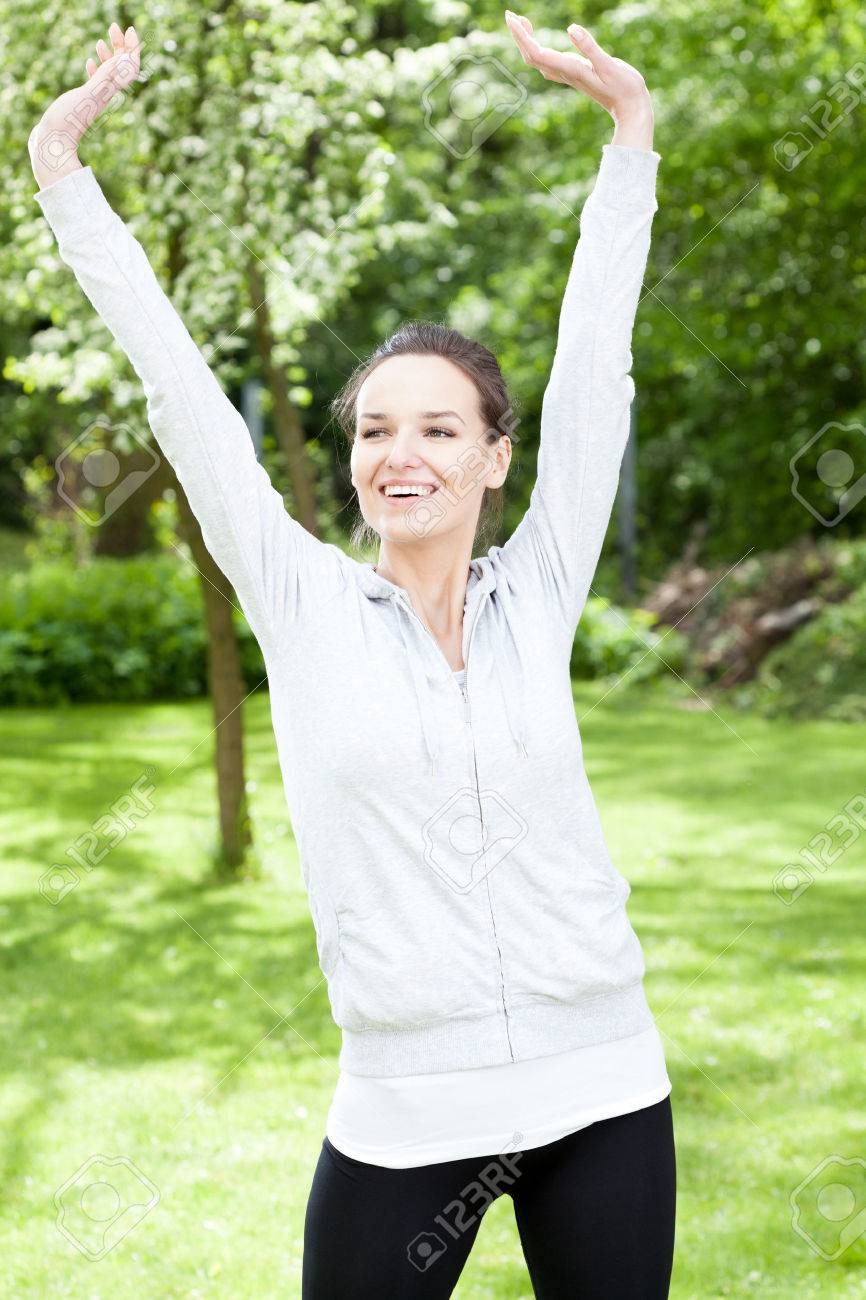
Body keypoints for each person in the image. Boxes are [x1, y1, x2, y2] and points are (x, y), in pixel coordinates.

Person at [29, 12, 674, 1297]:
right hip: (403, 1111)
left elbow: (595, 368)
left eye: (439, 429)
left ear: (493, 460)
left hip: (602, 1086)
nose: (401, 453)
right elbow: (181, 395)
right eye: (376, 428)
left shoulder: (537, 591)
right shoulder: (302, 600)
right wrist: (63, 171)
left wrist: (630, 140)